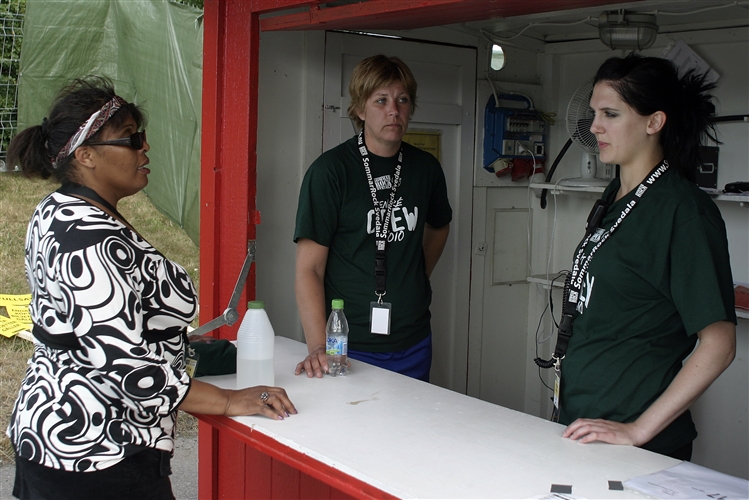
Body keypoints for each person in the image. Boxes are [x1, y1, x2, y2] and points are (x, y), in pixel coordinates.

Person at [6, 77, 296, 500]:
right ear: (85, 155)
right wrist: (229, 402)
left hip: (69, 441)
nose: (145, 148)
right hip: (96, 452)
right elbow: (127, 366)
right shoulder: (86, 236)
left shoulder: (64, 211)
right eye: (130, 139)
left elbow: (99, 328)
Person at [557, 54, 737, 460]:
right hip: (581, 422)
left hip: (636, 442)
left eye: (610, 114)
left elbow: (720, 344)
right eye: (593, 113)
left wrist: (638, 431)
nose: (594, 126)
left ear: (654, 122)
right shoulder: (615, 196)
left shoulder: (683, 211)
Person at [294, 55, 452, 381]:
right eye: (381, 100)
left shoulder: (426, 168)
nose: (394, 110)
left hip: (413, 339)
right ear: (360, 109)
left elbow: (439, 226)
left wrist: (416, 273)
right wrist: (317, 347)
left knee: (409, 429)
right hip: (348, 343)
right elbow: (309, 268)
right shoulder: (330, 172)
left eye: (402, 100)